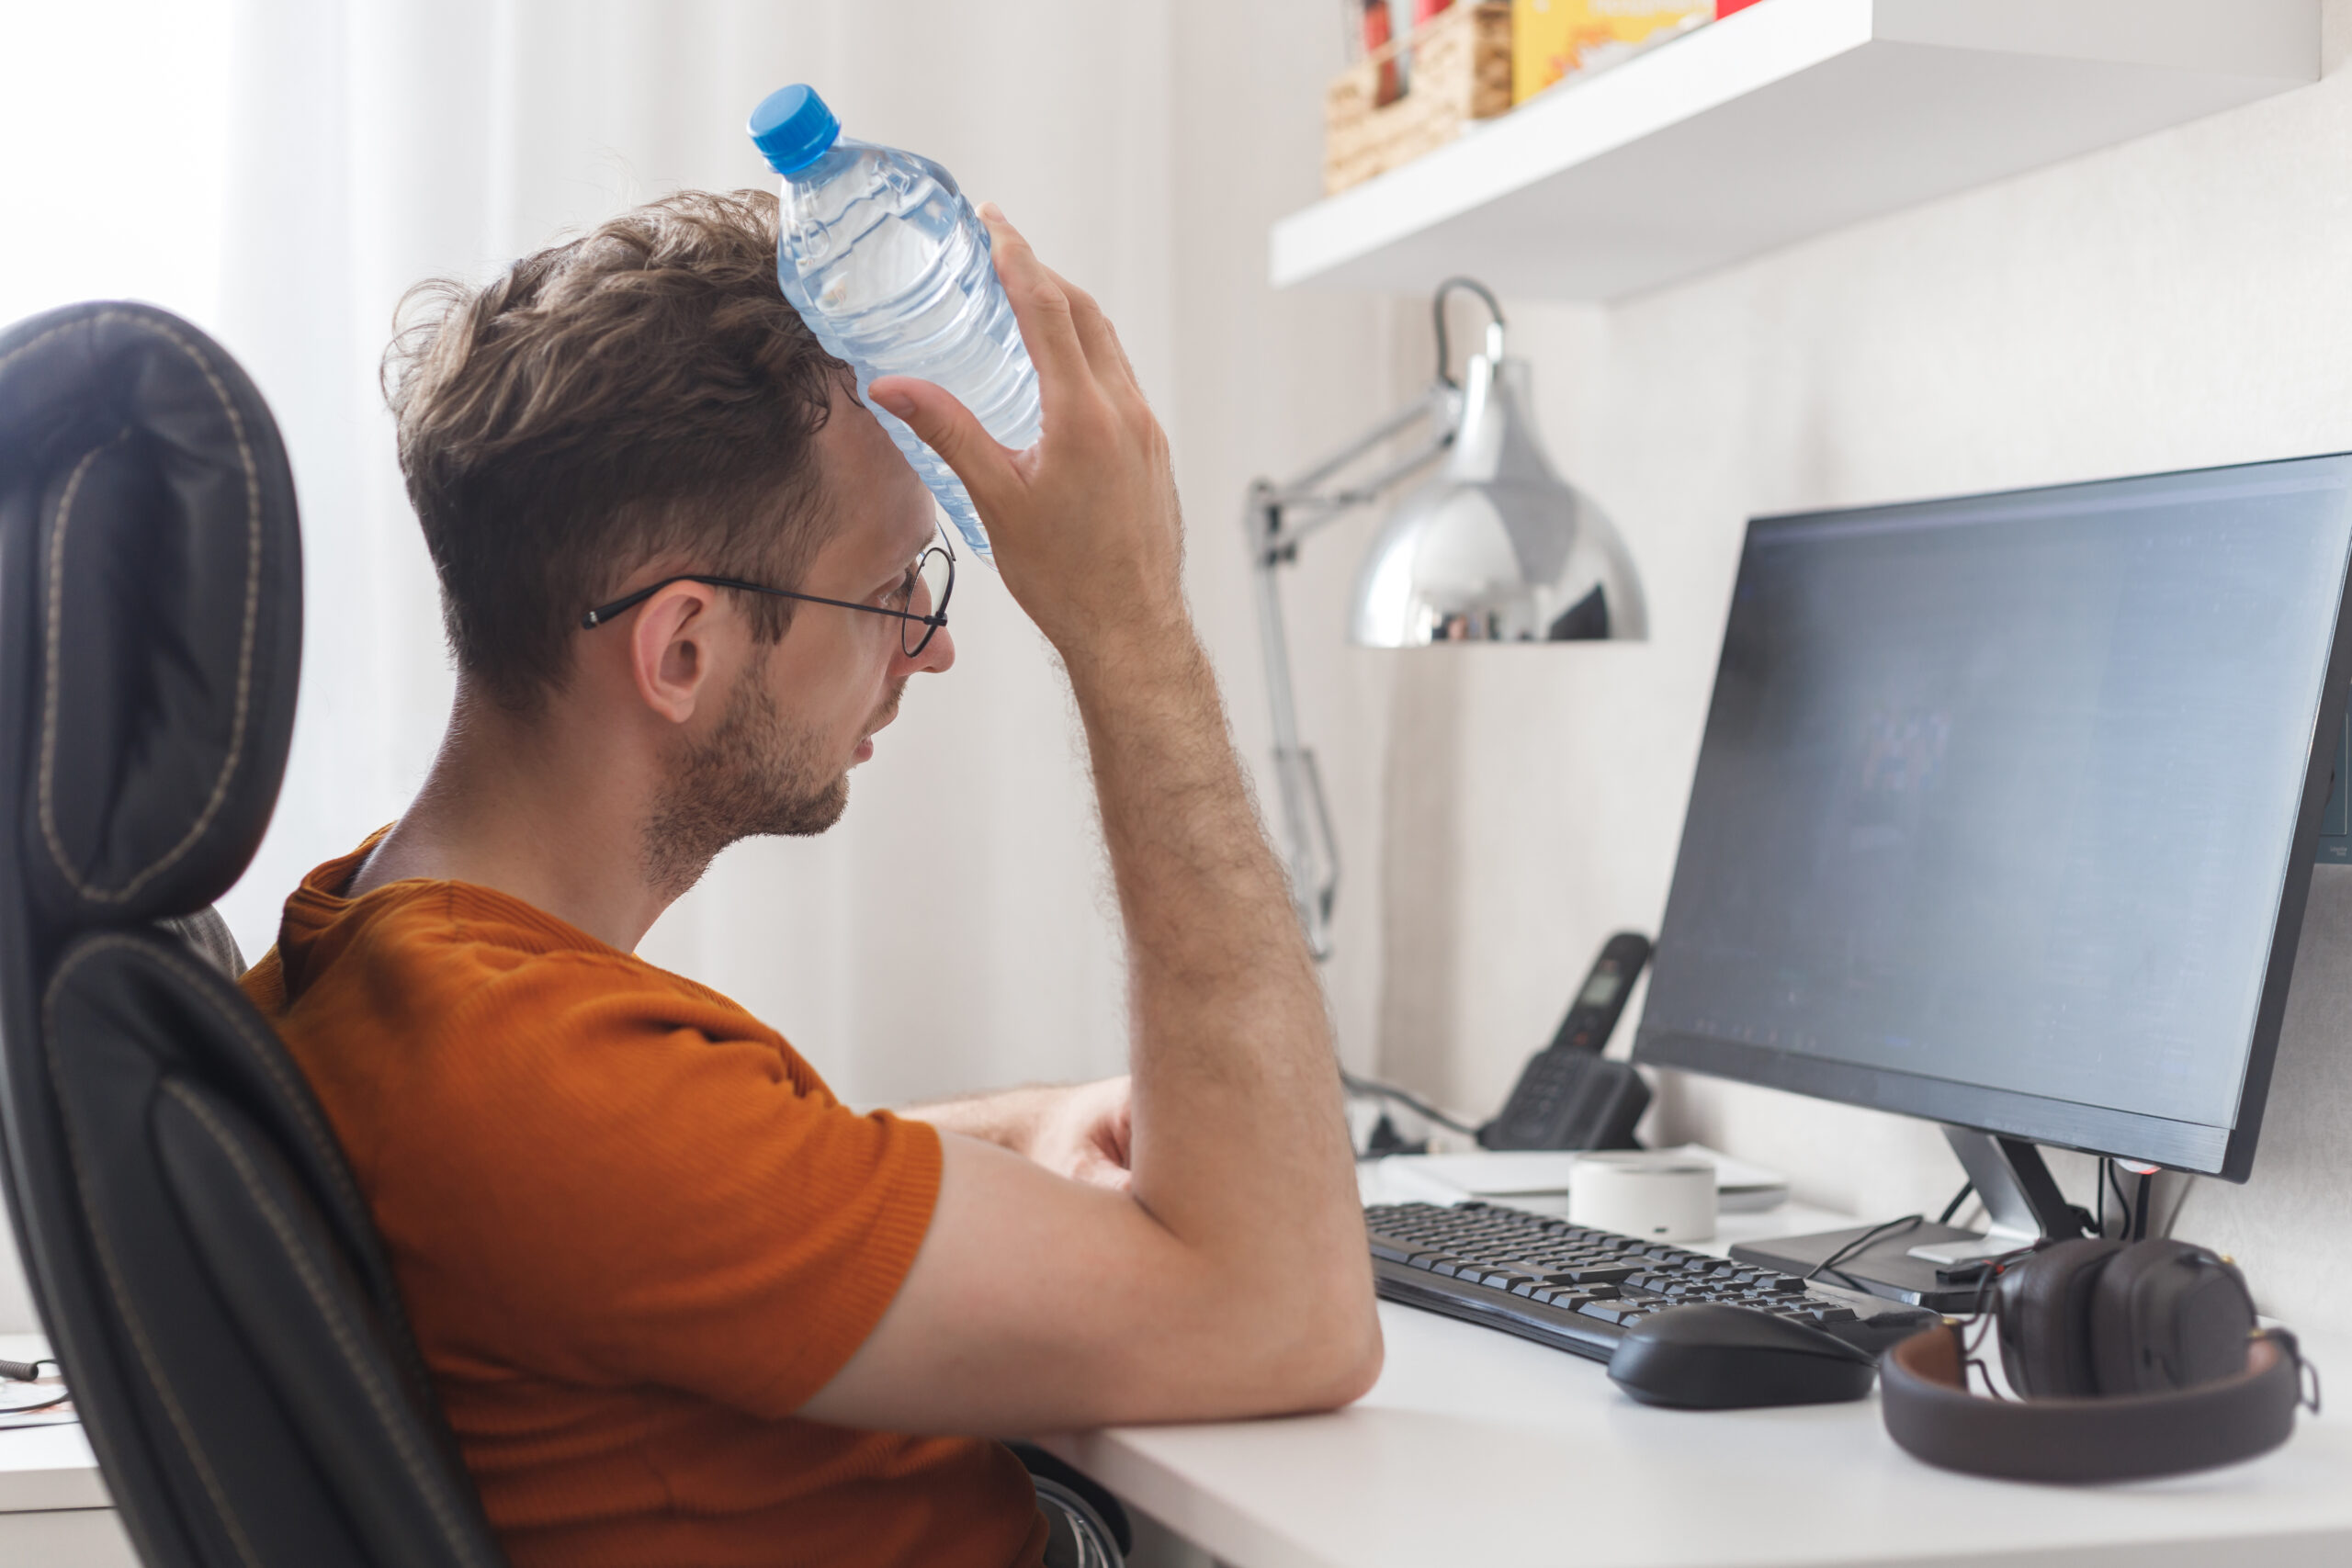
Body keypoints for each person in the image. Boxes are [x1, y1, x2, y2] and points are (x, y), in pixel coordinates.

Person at [239, 186, 1381, 1568]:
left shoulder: (371, 947)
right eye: (896, 584)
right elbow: (1287, 1315)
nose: (930, 646)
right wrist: (1127, 628)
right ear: (682, 650)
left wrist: (1029, 1130)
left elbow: (692, 1182)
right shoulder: (549, 1089)